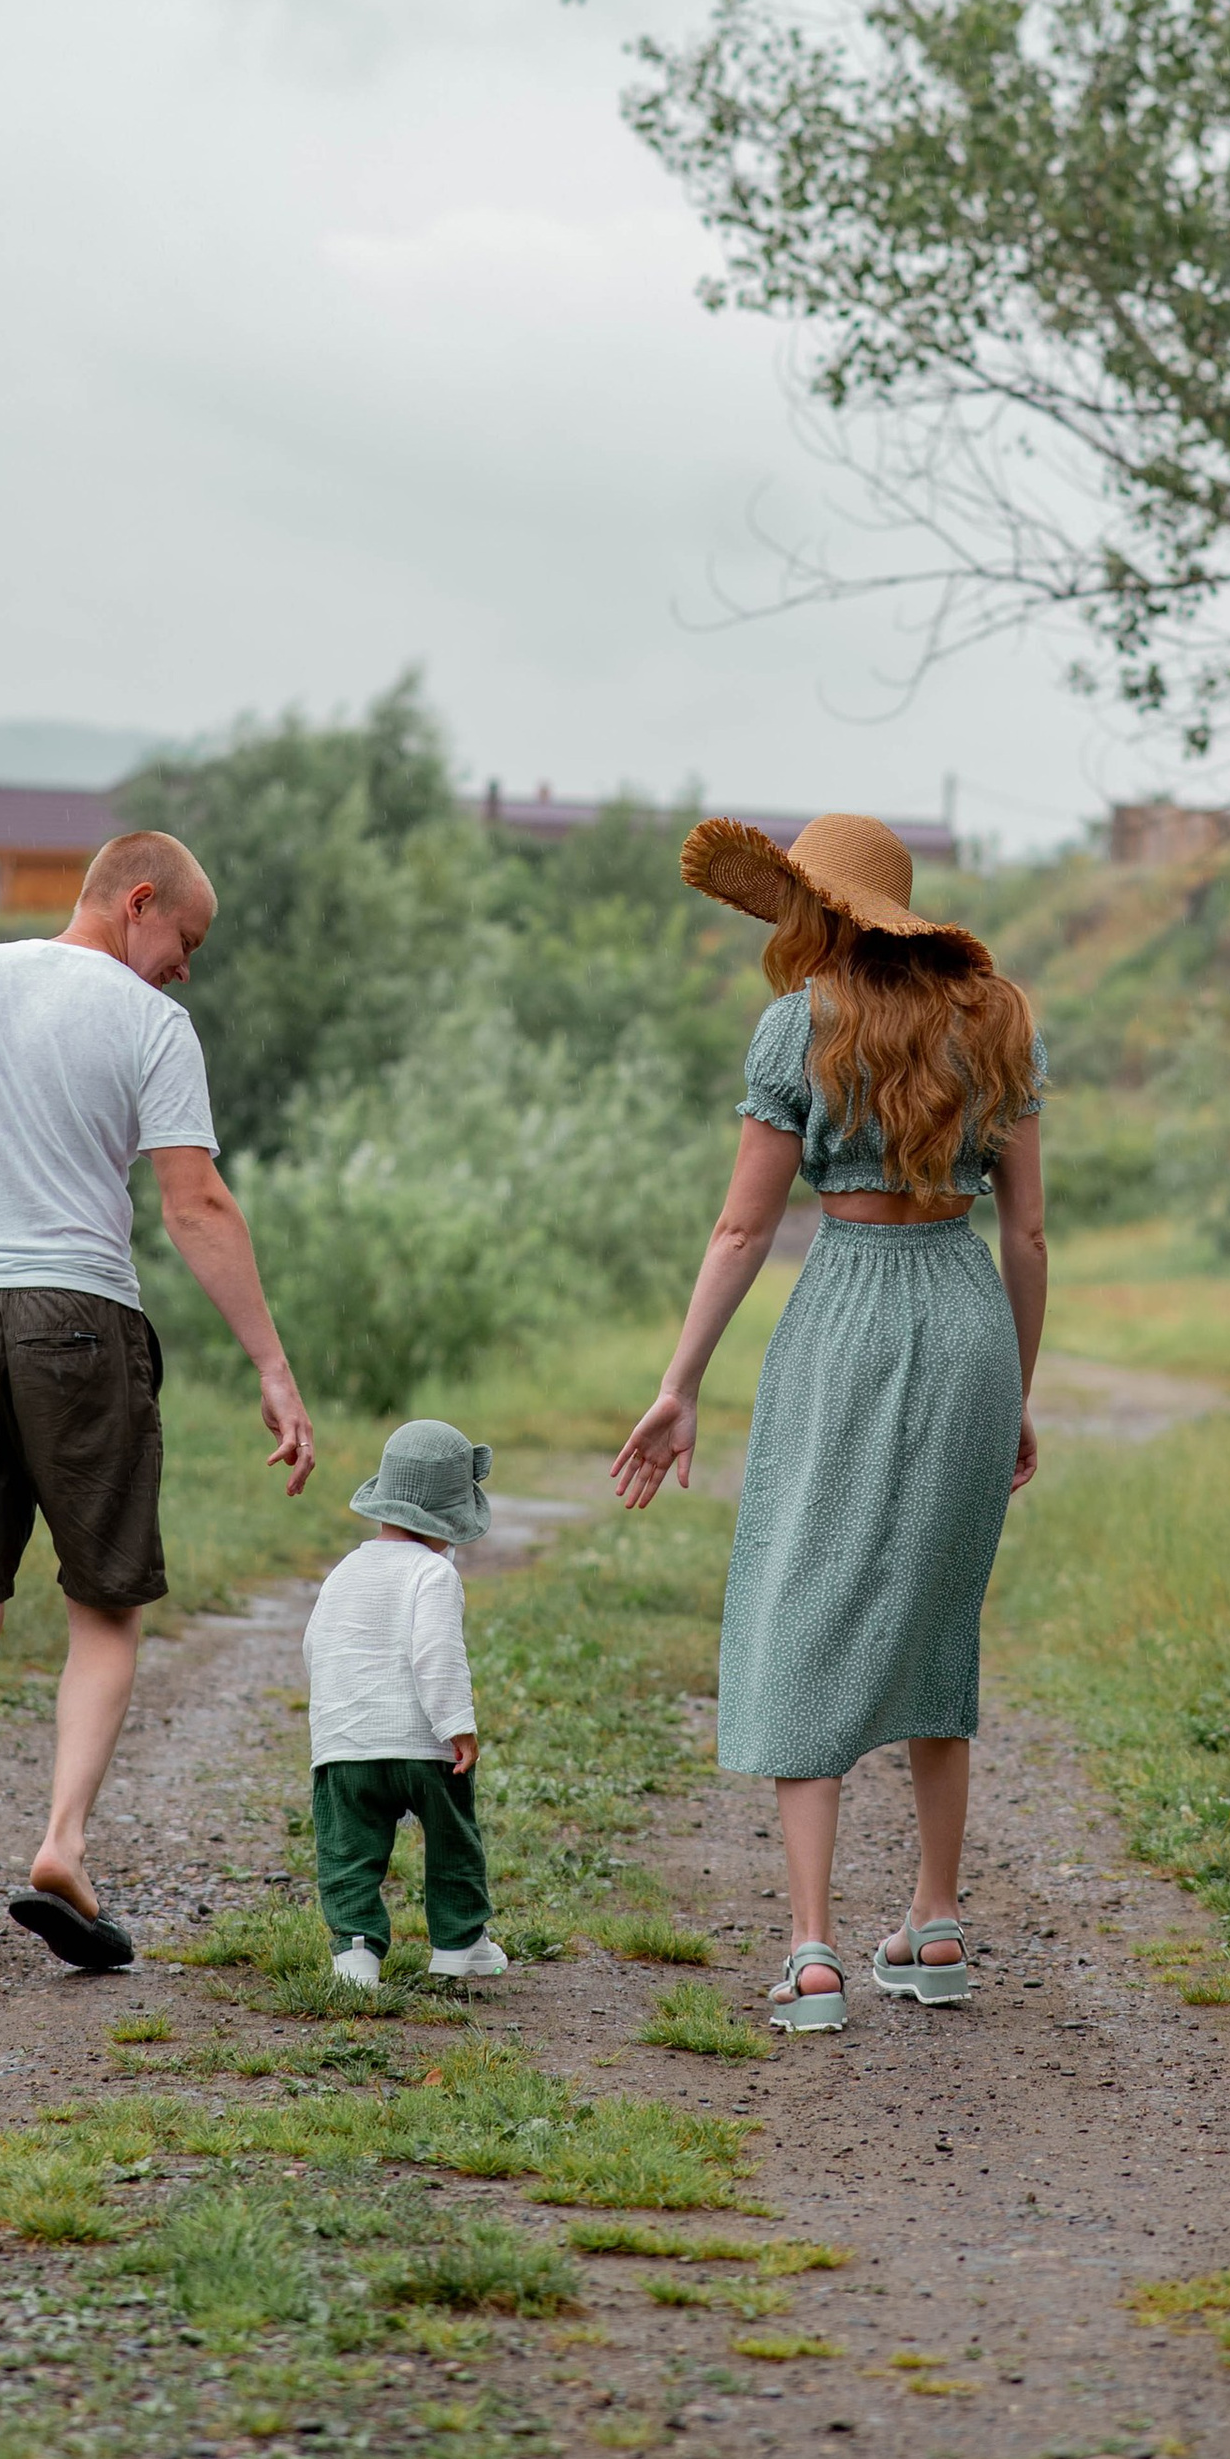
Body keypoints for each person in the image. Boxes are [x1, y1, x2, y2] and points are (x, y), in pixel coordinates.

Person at [0, 828, 314, 1973]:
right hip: (82, 1321)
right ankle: (61, 1842)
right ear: (138, 902)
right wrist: (270, 1364)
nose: (185, 970)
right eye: (185, 941)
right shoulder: (150, 1025)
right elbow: (194, 1201)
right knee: (103, 1607)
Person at [610, 812, 1046, 2033]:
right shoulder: (998, 1020)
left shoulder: (798, 1025)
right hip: (965, 1318)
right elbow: (1026, 1235)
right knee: (932, 1611)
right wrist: (1014, 1388)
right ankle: (937, 1921)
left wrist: (680, 1380)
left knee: (802, 1598)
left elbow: (744, 1230)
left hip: (845, 1309)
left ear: (831, 910)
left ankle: (811, 1952)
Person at [302, 1419, 508, 1993]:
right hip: (424, 1746)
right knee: (452, 1840)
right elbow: (437, 1653)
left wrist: (336, 1724)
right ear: (452, 1517)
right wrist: (457, 1726)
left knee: (348, 1851)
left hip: (345, 1747)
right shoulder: (433, 1572)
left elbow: (315, 1647)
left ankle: (356, 1952)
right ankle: (459, 1944)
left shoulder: (343, 1571)